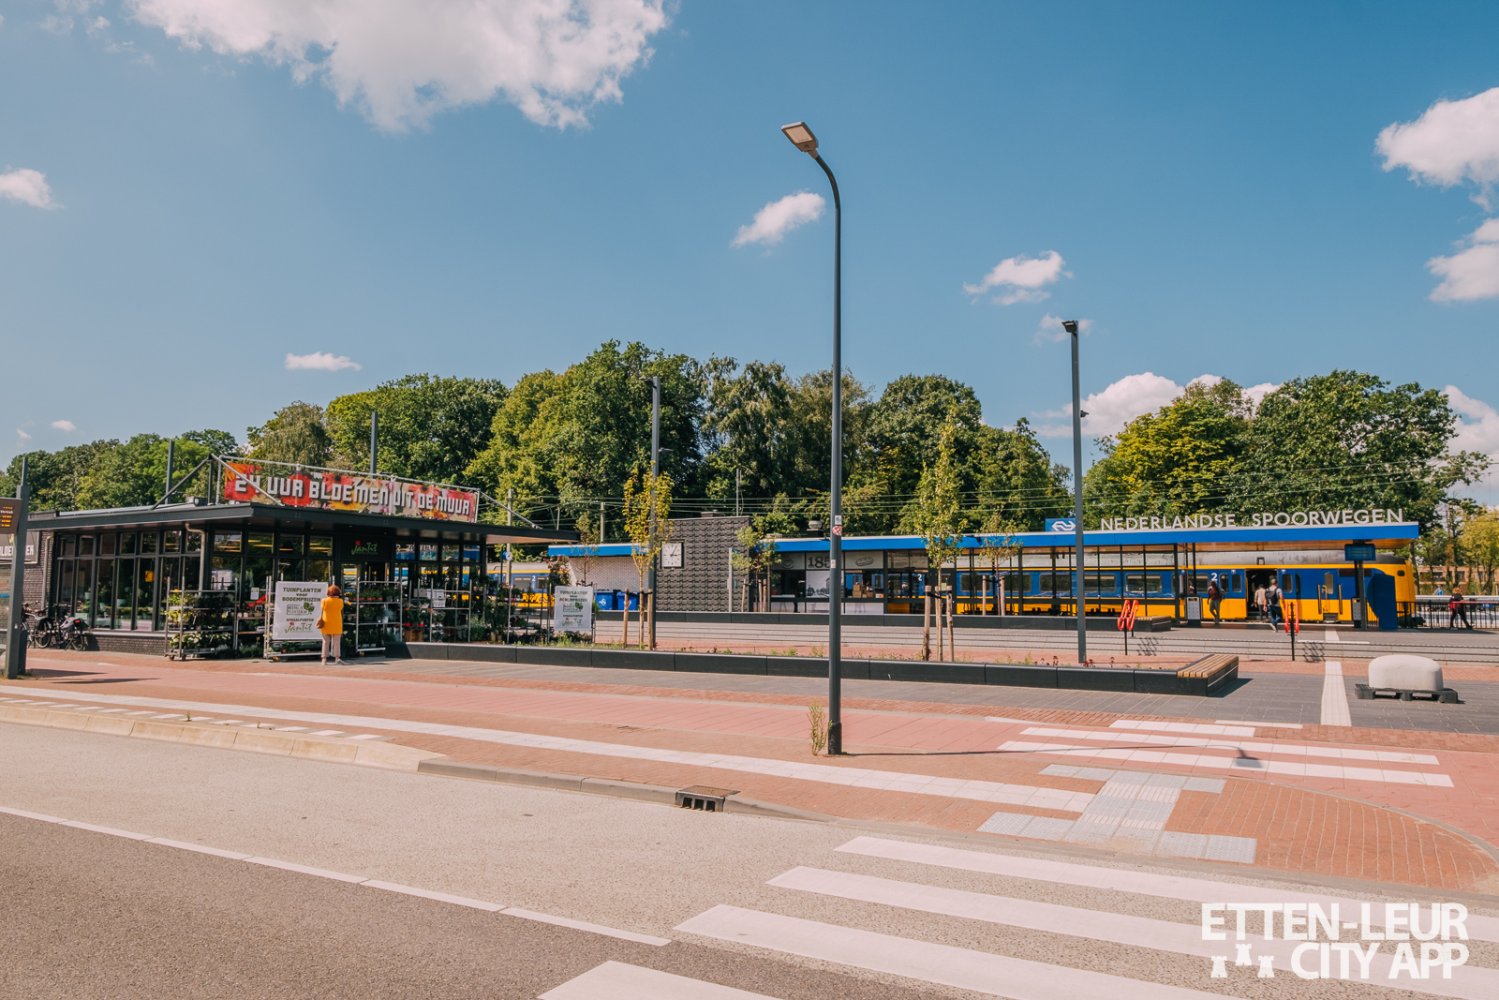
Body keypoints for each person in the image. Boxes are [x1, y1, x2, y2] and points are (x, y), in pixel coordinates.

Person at [318, 584, 347, 664]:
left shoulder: (324, 601)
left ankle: (324, 659)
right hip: (337, 623)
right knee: (336, 641)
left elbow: (322, 607)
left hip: (326, 623)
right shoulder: (340, 601)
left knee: (325, 641)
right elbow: (341, 608)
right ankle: (337, 658)